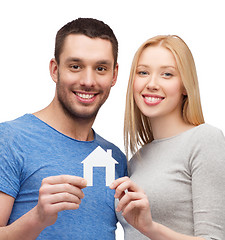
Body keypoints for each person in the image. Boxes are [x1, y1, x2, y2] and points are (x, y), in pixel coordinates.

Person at [0, 18, 127, 239]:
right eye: (75, 66)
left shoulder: (115, 158)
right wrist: (37, 218)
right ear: (55, 69)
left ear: (114, 75)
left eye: (100, 68)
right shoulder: (10, 139)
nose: (88, 81)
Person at [110, 35, 225, 240]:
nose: (152, 83)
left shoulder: (205, 140)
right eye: (143, 72)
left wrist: (151, 228)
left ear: (184, 86)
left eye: (167, 74)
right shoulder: (137, 160)